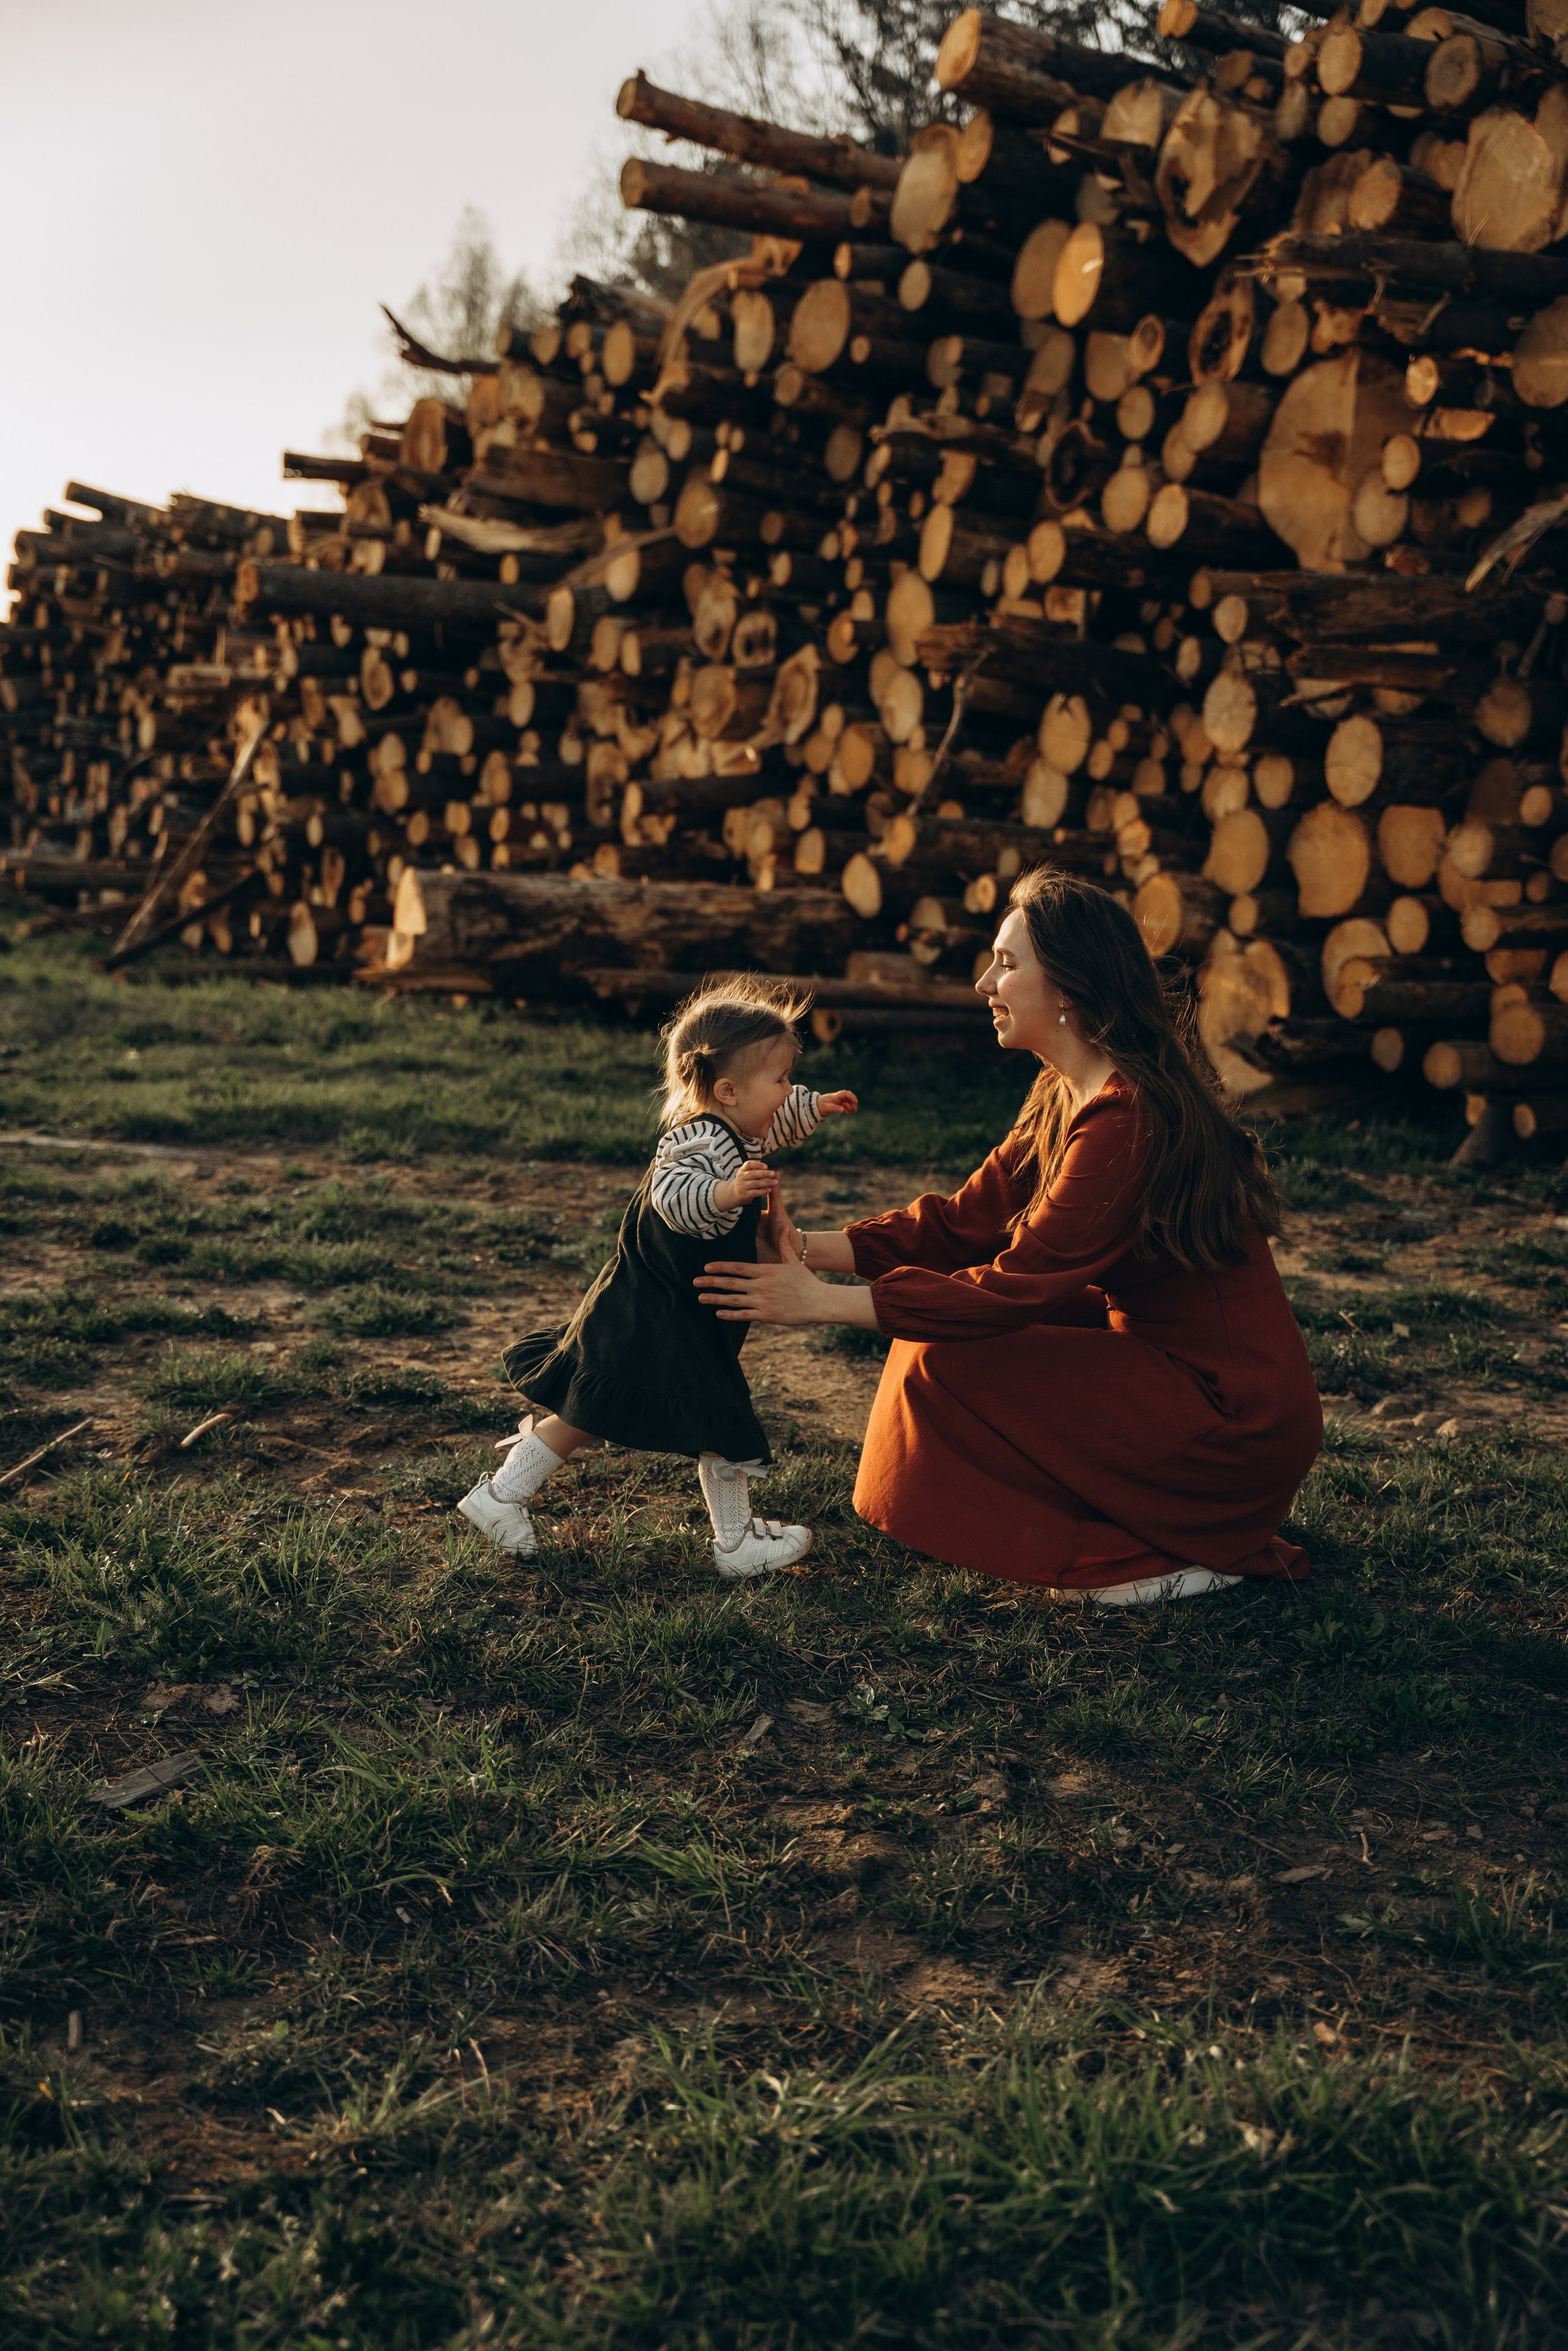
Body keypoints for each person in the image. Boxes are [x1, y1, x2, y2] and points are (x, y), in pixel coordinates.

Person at [695, 866, 1322, 1606]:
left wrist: (820, 1303)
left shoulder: (1128, 1117)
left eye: (1008, 962)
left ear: (1067, 985)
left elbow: (1011, 1288)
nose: (986, 982)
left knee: (939, 1351)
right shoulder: (1069, 1088)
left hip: (1233, 1423)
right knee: (938, 1333)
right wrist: (805, 1249)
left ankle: (1137, 1560)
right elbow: (967, 1220)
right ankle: (1125, 1515)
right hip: (1174, 1376)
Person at [458, 978, 858, 1579]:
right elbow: (677, 1199)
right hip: (657, 1312)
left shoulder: (735, 1128)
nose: (787, 1091)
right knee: (647, 1408)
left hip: (684, 1311)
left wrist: (814, 1106)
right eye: (781, 1081)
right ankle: (733, 1542)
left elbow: (769, 1125)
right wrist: (728, 1193)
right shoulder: (695, 1144)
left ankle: (503, 1495)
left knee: (602, 1407)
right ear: (727, 1090)